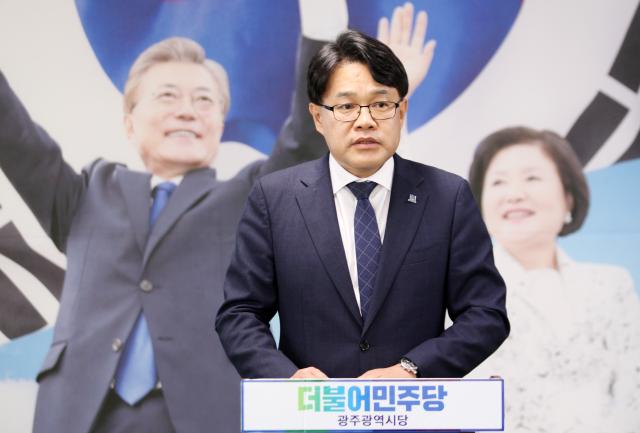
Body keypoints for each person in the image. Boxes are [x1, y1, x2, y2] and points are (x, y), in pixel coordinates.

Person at [0, 35, 327, 433]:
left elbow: (303, 142)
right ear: (129, 123)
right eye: (167, 96)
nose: (186, 111)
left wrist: (322, 31)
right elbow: (16, 138)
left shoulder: (248, 200)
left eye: (204, 100)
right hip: (80, 416)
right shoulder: (85, 195)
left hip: (202, 416)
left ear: (219, 125)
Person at [216, 30, 509, 382]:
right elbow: (240, 313)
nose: (365, 120)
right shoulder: (274, 197)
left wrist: (413, 368)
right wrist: (286, 377)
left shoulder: (448, 197)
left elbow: (485, 313)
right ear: (317, 117)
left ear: (402, 111)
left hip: (414, 406)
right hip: (310, 407)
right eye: (346, 107)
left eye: (381, 105)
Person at [467, 126, 640, 432]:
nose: (514, 194)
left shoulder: (611, 285)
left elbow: (633, 393)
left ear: (568, 197)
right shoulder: (459, 293)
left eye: (532, 178)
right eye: (498, 182)